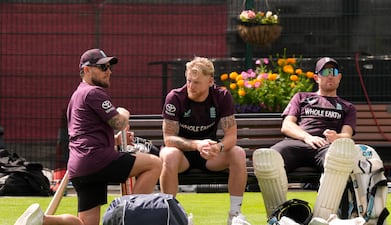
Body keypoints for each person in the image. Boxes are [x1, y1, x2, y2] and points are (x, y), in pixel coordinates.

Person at [15, 48, 162, 225]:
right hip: (97, 160)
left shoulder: (77, 95)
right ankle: (129, 216)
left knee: (85, 223)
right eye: (102, 67)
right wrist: (124, 112)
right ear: (86, 70)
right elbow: (119, 123)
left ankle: (42, 220)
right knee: (154, 164)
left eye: (109, 67)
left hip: (80, 166)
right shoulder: (93, 92)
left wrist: (113, 141)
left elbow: (84, 132)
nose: (108, 71)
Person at [253, 57, 359, 221]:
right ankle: (279, 218)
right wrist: (307, 137)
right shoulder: (301, 97)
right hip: (296, 143)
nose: (330, 76)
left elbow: (347, 135)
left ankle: (321, 219)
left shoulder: (347, 107)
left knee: (339, 157)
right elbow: (287, 126)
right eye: (325, 72)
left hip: (326, 147)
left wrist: (336, 137)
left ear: (339, 77)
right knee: (269, 158)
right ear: (316, 77)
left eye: (334, 72)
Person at [159, 56, 249, 225]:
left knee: (238, 152)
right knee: (168, 154)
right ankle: (171, 217)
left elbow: (231, 136)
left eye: (196, 82)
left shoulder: (222, 96)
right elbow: (168, 139)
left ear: (210, 81)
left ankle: (235, 215)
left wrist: (219, 147)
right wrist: (196, 144)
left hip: (210, 155)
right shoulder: (175, 97)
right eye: (188, 81)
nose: (191, 86)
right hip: (182, 156)